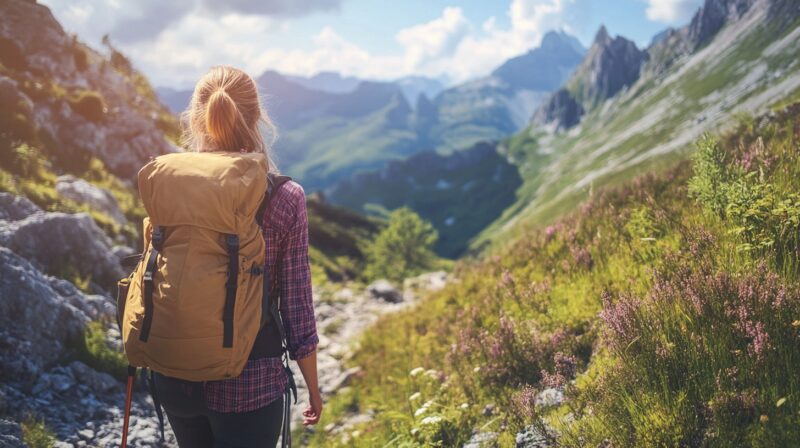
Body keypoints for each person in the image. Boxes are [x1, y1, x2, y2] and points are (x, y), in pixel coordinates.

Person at [152, 65, 322, 447]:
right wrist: (313, 386)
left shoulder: (172, 183)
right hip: (250, 384)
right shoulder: (283, 198)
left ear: (196, 118)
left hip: (175, 374)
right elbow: (296, 307)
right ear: (257, 117)